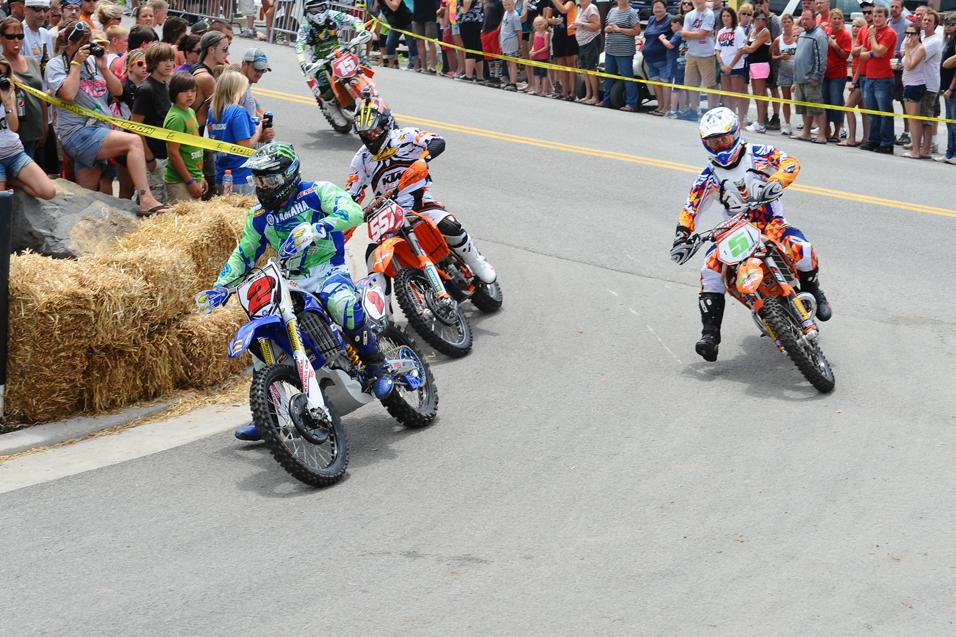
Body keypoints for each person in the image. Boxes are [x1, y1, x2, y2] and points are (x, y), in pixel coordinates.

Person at [213, 141, 396, 441]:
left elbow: (352, 212)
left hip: (330, 269)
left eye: (270, 179)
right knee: (264, 344)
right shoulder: (259, 217)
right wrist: (220, 285)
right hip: (293, 280)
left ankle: (378, 365)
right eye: (259, 180)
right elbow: (243, 253)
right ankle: (268, 415)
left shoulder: (316, 192)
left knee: (342, 306)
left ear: (289, 174)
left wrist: (321, 227)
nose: (265, 186)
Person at [671, 106, 831, 362]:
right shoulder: (707, 175)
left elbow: (790, 162)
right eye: (712, 142)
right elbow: (691, 208)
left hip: (769, 221)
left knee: (802, 247)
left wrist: (777, 180)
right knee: (709, 269)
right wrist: (682, 235)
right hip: (733, 229)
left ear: (735, 134)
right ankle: (710, 335)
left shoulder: (757, 153)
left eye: (723, 139)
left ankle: (814, 289)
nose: (719, 146)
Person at [347, 96, 496, 285]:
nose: (371, 136)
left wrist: (423, 159)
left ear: (386, 124)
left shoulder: (406, 136)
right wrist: (346, 211)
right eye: (366, 133)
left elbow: (437, 141)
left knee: (450, 225)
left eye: (375, 131)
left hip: (420, 201)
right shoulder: (360, 158)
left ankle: (477, 263)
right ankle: (383, 312)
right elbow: (352, 192)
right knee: (372, 256)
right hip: (388, 213)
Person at [45, 20, 168, 214]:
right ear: (70, 43)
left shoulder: (94, 63)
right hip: (78, 132)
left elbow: (118, 90)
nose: (88, 46)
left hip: (99, 130)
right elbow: (67, 94)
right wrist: (76, 63)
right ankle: (146, 198)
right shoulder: (56, 64)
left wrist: (103, 67)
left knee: (87, 195)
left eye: (90, 41)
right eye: (83, 42)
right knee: (134, 141)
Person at [295, 0, 373, 99]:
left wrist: (361, 31)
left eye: (320, 8)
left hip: (342, 52)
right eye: (313, 10)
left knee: (364, 65)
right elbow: (299, 45)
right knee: (324, 82)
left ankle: (371, 90)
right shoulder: (305, 26)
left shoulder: (334, 15)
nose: (318, 13)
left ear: (326, 6)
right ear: (307, 11)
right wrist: (302, 62)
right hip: (321, 61)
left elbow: (355, 20)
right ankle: (331, 107)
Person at [0, 55, 54, 197]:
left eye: (3, 75)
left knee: (48, 192)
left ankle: (13, 180)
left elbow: (14, 127)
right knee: (2, 201)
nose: (2, 79)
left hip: (14, 153)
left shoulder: (8, 95)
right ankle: (6, 180)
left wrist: (6, 104)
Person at [205, 69, 262, 193]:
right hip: (241, 177)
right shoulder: (238, 112)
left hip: (221, 175)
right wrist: (258, 130)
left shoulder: (213, 111)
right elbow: (244, 147)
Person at [131, 41, 174, 203]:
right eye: (164, 60)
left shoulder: (165, 85)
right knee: (151, 199)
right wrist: (149, 157)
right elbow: (135, 126)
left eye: (171, 59)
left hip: (165, 154)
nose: (169, 63)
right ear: (154, 62)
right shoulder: (146, 89)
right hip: (153, 157)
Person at [1, 17, 45, 159]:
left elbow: (42, 95)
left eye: (20, 36)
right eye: (10, 37)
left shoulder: (32, 61)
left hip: (35, 127)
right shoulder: (2, 66)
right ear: (1, 38)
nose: (16, 41)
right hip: (11, 131)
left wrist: (45, 125)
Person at [859, 5, 897, 153]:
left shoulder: (889, 33)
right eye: (874, 16)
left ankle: (887, 142)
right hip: (869, 76)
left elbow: (880, 52)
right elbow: (861, 54)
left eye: (880, 16)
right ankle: (874, 140)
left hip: (884, 78)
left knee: (884, 112)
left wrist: (872, 38)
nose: (876, 18)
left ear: (886, 18)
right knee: (872, 112)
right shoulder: (869, 32)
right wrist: (873, 52)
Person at [163, 71, 205, 202]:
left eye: (193, 91)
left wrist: (200, 176)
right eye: (184, 91)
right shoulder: (176, 118)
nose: (190, 95)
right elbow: (173, 153)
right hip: (180, 182)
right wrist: (190, 182)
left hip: (194, 176)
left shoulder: (190, 111)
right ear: (175, 92)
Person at [792, 8, 827, 143]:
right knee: (804, 108)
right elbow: (797, 58)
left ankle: (822, 135)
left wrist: (816, 77)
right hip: (800, 79)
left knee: (817, 108)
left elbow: (821, 59)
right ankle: (806, 133)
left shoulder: (819, 36)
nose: (804, 22)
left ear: (814, 20)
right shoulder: (801, 35)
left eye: (807, 19)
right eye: (803, 19)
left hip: (811, 80)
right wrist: (795, 80)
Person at [601, 0, 640, 112]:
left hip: (625, 52)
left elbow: (637, 31)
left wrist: (619, 29)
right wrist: (607, 29)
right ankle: (606, 101)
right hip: (610, 49)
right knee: (608, 77)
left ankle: (631, 103)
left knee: (627, 78)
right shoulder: (612, 11)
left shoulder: (631, 12)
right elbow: (605, 27)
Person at [914, 9, 941, 160]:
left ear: (935, 24)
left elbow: (919, 56)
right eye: (924, 20)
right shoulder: (922, 37)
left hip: (929, 84)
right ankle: (919, 145)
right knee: (918, 116)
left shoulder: (935, 41)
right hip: (918, 81)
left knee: (926, 118)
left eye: (929, 20)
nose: (925, 22)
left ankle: (926, 149)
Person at [681, 0, 716, 119]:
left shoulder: (709, 14)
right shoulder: (689, 15)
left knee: (710, 84)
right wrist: (697, 33)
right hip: (691, 53)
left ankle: (712, 112)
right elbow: (683, 34)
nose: (697, 1)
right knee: (691, 84)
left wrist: (690, 33)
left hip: (707, 54)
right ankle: (694, 110)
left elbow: (701, 34)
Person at [822, 8, 850, 141]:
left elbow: (845, 55)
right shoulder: (826, 32)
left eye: (839, 18)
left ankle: (837, 132)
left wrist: (834, 45)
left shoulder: (845, 35)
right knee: (825, 101)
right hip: (825, 73)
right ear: (830, 20)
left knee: (836, 101)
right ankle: (826, 130)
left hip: (838, 74)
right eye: (834, 18)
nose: (837, 21)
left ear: (842, 20)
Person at [716, 7, 747, 125]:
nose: (725, 18)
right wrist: (722, 65)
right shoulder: (720, 32)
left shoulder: (738, 31)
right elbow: (717, 50)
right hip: (724, 67)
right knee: (726, 94)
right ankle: (729, 118)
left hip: (737, 67)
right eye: (723, 16)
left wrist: (731, 66)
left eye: (728, 16)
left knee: (736, 94)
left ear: (733, 17)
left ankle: (740, 120)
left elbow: (740, 50)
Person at [643, 0, 673, 116]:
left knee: (665, 82)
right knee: (656, 83)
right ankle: (660, 106)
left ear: (666, 8)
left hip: (663, 58)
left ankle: (666, 107)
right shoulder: (651, 19)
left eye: (660, 7)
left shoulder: (670, 19)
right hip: (650, 59)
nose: (657, 10)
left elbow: (677, 32)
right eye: (655, 7)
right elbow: (647, 35)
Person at [841, 15, 866, 146]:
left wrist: (854, 82)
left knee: (848, 106)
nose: (855, 28)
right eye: (854, 25)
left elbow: (861, 63)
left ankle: (851, 138)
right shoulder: (854, 41)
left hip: (860, 78)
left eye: (859, 26)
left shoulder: (863, 42)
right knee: (863, 109)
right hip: (856, 76)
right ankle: (865, 138)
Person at [935, 12, 956, 164]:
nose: (948, 27)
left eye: (952, 24)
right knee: (949, 122)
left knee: (954, 122)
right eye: (946, 24)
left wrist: (951, 88)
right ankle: (950, 153)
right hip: (947, 86)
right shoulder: (950, 40)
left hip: (953, 88)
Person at [772, 12, 797, 135]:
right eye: (784, 22)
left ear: (792, 23)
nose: (786, 24)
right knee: (786, 99)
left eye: (789, 22)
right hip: (784, 72)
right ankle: (787, 124)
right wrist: (781, 56)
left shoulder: (797, 37)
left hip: (798, 73)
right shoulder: (778, 40)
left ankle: (808, 124)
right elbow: (773, 55)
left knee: (801, 98)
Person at [545, 0, 576, 99]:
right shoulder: (551, 3)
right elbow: (547, 18)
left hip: (569, 35)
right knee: (561, 64)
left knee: (570, 64)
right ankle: (564, 91)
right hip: (558, 35)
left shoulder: (570, 1)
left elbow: (564, 10)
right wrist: (552, 21)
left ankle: (572, 93)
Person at [572, 0, 599, 104]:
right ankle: (588, 95)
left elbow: (596, 25)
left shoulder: (591, 8)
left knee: (591, 69)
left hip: (590, 41)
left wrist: (581, 24)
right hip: (582, 43)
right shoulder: (581, 9)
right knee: (584, 69)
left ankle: (595, 96)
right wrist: (575, 26)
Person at [456, 0, 483, 80]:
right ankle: (480, 76)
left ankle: (469, 75)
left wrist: (459, 7)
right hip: (477, 21)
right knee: (477, 48)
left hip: (468, 21)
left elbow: (465, 9)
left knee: (469, 48)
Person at [498, 0, 520, 89]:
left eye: (509, 4)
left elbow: (519, 31)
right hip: (505, 42)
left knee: (512, 62)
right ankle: (510, 81)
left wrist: (519, 44)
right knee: (508, 63)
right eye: (505, 5)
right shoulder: (506, 13)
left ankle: (513, 83)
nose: (507, 6)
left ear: (513, 4)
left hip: (512, 42)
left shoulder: (515, 15)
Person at [412, 0, 439, 73]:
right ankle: (424, 67)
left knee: (431, 41)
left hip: (430, 15)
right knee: (419, 42)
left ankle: (433, 67)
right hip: (417, 15)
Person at [527, 14, 549, 95]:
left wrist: (536, 52)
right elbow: (534, 45)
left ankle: (544, 90)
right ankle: (537, 89)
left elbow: (546, 47)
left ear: (544, 24)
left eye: (540, 24)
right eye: (536, 25)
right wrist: (532, 50)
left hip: (543, 57)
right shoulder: (536, 33)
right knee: (536, 74)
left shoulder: (546, 33)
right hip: (536, 56)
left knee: (543, 74)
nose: (538, 26)